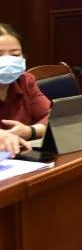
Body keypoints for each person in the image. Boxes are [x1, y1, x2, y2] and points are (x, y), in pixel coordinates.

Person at [0, 23, 43, 155]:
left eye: (15, 55)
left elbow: (53, 117)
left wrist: (30, 131)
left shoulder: (25, 81)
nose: (7, 62)